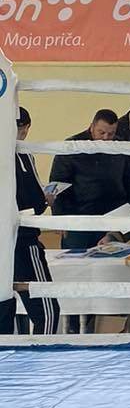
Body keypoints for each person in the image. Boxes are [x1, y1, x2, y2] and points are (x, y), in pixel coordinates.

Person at [0, 106, 60, 335]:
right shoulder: (22, 153)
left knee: (5, 310)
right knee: (47, 311)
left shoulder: (22, 154)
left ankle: (11, 357)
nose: (23, 134)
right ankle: (41, 357)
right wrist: (45, 200)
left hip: (10, 239)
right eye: (21, 129)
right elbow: (34, 200)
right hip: (23, 240)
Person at [49, 108, 130, 251]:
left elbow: (129, 180)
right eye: (101, 132)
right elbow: (57, 183)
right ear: (91, 127)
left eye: (111, 133)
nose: (106, 138)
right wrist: (59, 218)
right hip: (78, 217)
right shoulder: (72, 146)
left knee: (111, 262)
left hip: (112, 216)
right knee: (75, 261)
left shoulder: (119, 145)